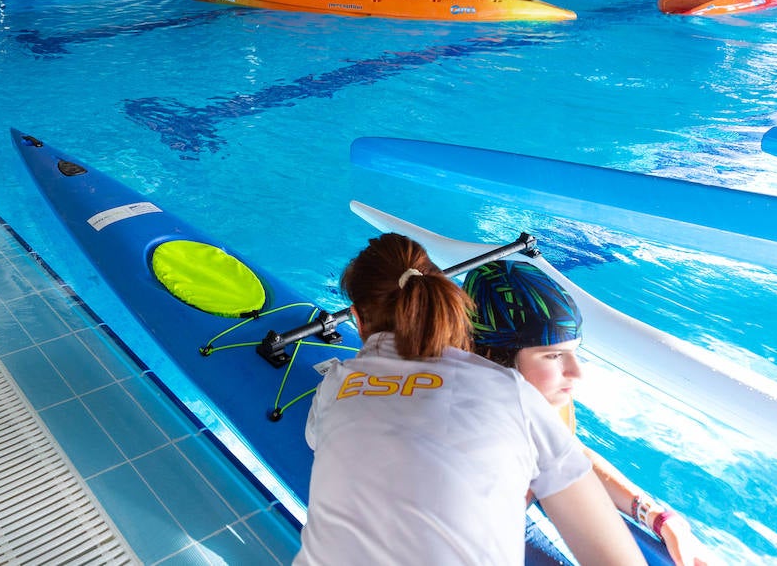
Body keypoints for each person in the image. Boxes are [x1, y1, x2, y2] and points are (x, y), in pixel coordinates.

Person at [294, 233, 641, 566]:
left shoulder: (335, 384)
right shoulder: (509, 392)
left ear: (356, 317)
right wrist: (653, 515)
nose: (575, 373)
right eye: (552, 356)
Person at [464, 259, 711, 566]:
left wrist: (654, 515)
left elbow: (569, 452)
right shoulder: (464, 442)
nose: (576, 373)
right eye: (553, 355)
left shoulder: (534, 395)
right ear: (495, 358)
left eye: (574, 352)